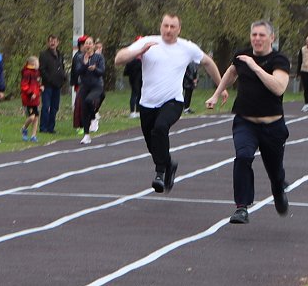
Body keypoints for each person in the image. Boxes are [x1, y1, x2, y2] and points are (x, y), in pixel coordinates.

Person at [114, 13, 221, 194]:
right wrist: (137, 53)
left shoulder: (187, 47)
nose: (168, 30)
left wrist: (221, 87)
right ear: (160, 26)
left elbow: (208, 63)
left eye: (173, 27)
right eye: (166, 26)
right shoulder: (148, 42)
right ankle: (169, 164)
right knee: (153, 145)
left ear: (179, 29)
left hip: (173, 101)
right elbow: (118, 59)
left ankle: (160, 173)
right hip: (147, 103)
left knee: (161, 128)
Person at [205, 20, 291, 225]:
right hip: (246, 121)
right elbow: (231, 72)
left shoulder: (279, 60)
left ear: (272, 38)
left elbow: (279, 88)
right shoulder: (241, 56)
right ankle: (241, 207)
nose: (257, 39)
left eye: (262, 35)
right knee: (243, 157)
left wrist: (256, 67)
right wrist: (217, 94)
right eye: (254, 35)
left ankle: (278, 190)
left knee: (275, 171)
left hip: (272, 125)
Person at [75, 37, 104, 144]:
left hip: (97, 85)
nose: (88, 45)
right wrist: (85, 63)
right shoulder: (80, 57)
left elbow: (101, 71)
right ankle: (86, 135)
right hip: (84, 86)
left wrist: (95, 69)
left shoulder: (98, 57)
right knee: (83, 109)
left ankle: (94, 115)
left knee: (88, 101)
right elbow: (78, 71)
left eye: (90, 43)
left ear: (93, 46)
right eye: (86, 43)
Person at [38, 34, 66, 134]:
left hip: (57, 85)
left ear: (58, 42)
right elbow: (42, 69)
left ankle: (51, 127)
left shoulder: (60, 55)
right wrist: (49, 80)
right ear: (48, 42)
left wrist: (63, 78)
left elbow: (62, 67)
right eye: (50, 41)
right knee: (46, 106)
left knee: (55, 107)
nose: (52, 43)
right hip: (47, 85)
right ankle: (43, 127)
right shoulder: (44, 54)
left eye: (54, 41)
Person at [20, 56, 42, 142]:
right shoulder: (27, 73)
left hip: (35, 99)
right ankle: (24, 128)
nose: (38, 65)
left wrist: (40, 88)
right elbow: (24, 85)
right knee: (31, 117)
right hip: (28, 99)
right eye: (37, 63)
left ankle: (33, 135)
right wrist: (30, 93)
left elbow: (36, 84)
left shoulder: (37, 73)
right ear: (32, 64)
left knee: (36, 118)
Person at [123, 41, 143, 119]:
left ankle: (137, 111)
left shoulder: (140, 58)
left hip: (138, 78)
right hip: (135, 78)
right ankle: (133, 111)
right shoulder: (133, 58)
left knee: (139, 94)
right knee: (135, 94)